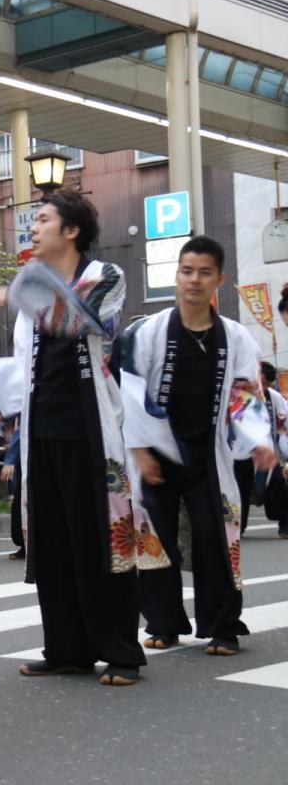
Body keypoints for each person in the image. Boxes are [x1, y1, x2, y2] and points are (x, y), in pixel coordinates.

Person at [0, 187, 146, 686]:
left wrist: (15, 294)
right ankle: (67, 649)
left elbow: (84, 321)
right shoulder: (31, 287)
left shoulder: (105, 275)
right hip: (43, 429)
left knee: (101, 537)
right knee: (53, 540)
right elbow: (25, 366)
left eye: (43, 219)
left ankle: (121, 651)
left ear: (72, 230)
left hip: (90, 428)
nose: (34, 228)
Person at [124, 236, 277, 656]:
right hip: (157, 452)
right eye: (187, 271)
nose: (194, 279)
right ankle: (163, 622)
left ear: (219, 280)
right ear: (177, 275)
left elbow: (246, 394)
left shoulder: (235, 336)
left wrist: (259, 441)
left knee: (215, 537)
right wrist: (139, 450)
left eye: (204, 272)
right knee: (155, 540)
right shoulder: (151, 331)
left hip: (210, 454)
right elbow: (131, 393)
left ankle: (223, 626)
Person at [257, 360, 288, 539]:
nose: (263, 388)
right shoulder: (238, 394)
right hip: (240, 453)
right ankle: (238, 528)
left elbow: (284, 422)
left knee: (279, 485)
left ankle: (285, 525)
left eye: (267, 385)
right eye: (261, 383)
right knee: (239, 491)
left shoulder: (274, 397)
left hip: (268, 451)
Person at [1, 422, 24, 560]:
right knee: (19, 505)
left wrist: (10, 459)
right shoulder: (15, 417)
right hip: (22, 463)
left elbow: (20, 434)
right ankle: (24, 545)